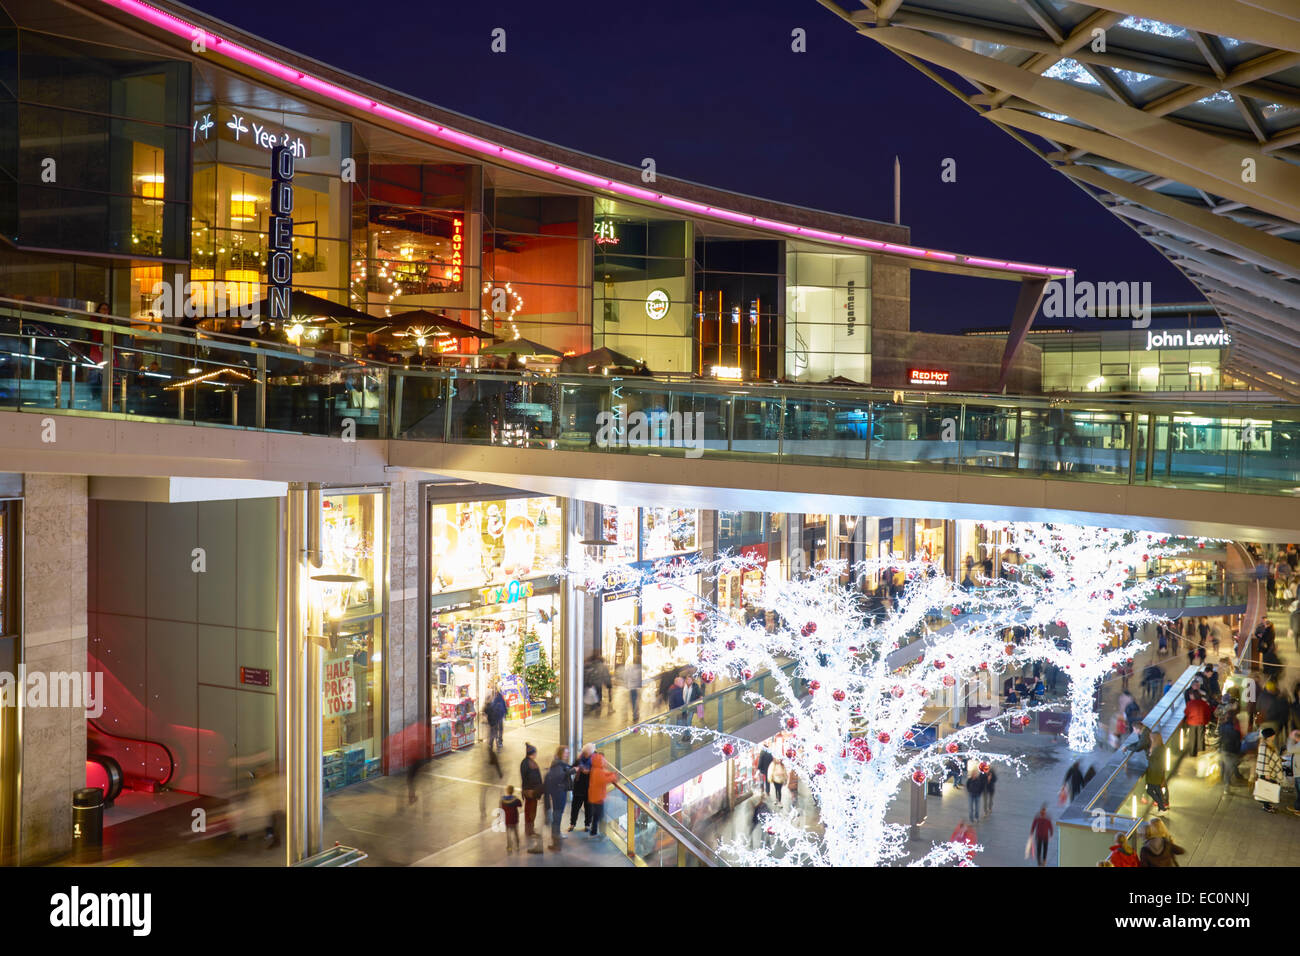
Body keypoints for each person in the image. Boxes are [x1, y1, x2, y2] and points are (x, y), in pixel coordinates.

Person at [543, 745, 571, 852]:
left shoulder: (561, 765)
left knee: (557, 819)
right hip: (558, 797)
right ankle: (556, 845)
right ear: (560, 754)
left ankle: (558, 836)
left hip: (560, 796)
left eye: (567, 753)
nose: (567, 755)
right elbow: (559, 777)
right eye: (565, 753)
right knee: (556, 820)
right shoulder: (558, 766)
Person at [519, 743, 544, 853]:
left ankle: (529, 829)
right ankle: (529, 830)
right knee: (531, 811)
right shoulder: (529, 764)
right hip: (531, 792)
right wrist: (537, 790)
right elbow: (532, 779)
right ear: (532, 753)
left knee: (530, 810)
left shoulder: (525, 762)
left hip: (529, 791)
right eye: (535, 753)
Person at [1255, 727, 1285, 813]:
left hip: (1270, 772)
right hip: (1267, 773)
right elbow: (1263, 760)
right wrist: (1266, 773)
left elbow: (1271, 757)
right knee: (1266, 789)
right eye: (1273, 734)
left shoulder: (1269, 744)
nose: (1274, 736)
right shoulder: (1263, 746)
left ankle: (1268, 805)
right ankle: (1266, 806)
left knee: (1270, 788)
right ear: (1270, 736)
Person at [586, 751, 616, 836]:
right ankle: (601, 833)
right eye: (603, 760)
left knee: (596, 815)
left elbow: (604, 774)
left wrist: (611, 773)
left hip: (595, 797)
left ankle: (594, 831)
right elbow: (604, 780)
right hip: (598, 798)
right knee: (600, 816)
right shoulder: (598, 771)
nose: (605, 762)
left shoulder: (596, 769)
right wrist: (613, 776)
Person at [568, 743, 594, 832]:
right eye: (585, 753)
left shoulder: (594, 760)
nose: (586, 755)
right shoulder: (579, 759)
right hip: (578, 788)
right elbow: (571, 768)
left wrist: (589, 771)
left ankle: (587, 824)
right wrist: (578, 768)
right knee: (575, 807)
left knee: (589, 807)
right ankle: (572, 824)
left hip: (589, 789)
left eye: (588, 753)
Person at [1218, 712, 1243, 792]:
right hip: (1232, 751)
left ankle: (1221, 778)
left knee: (1222, 764)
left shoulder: (1221, 728)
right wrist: (1238, 753)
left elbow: (1220, 737)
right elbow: (1238, 744)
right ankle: (1227, 786)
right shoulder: (1236, 732)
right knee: (1228, 769)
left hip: (1223, 749)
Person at [1184, 692, 1212, 758]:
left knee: (1192, 737)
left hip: (1192, 722)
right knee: (1201, 737)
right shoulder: (1203, 703)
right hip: (1201, 722)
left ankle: (1192, 753)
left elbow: (1186, 712)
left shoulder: (1189, 703)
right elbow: (1208, 712)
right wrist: (1207, 721)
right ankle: (1201, 751)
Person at [1145, 741, 1170, 811]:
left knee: (1150, 790)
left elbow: (1151, 759)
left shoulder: (1156, 750)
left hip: (1154, 775)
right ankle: (1161, 806)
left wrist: (1148, 753)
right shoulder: (1161, 749)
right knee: (1158, 790)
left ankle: (1161, 805)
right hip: (1158, 774)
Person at [499, 785, 522, 855]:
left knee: (508, 834)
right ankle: (517, 846)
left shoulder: (502, 800)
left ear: (507, 791)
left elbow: (500, 809)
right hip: (514, 818)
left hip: (507, 819)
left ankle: (509, 847)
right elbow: (520, 804)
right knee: (515, 832)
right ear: (513, 791)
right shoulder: (515, 800)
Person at [624, 656, 642, 723]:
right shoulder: (640, 668)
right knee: (637, 700)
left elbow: (625, 676)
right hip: (637, 687)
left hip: (631, 686)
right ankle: (636, 714)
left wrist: (626, 684)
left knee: (633, 701)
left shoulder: (629, 668)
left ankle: (635, 714)